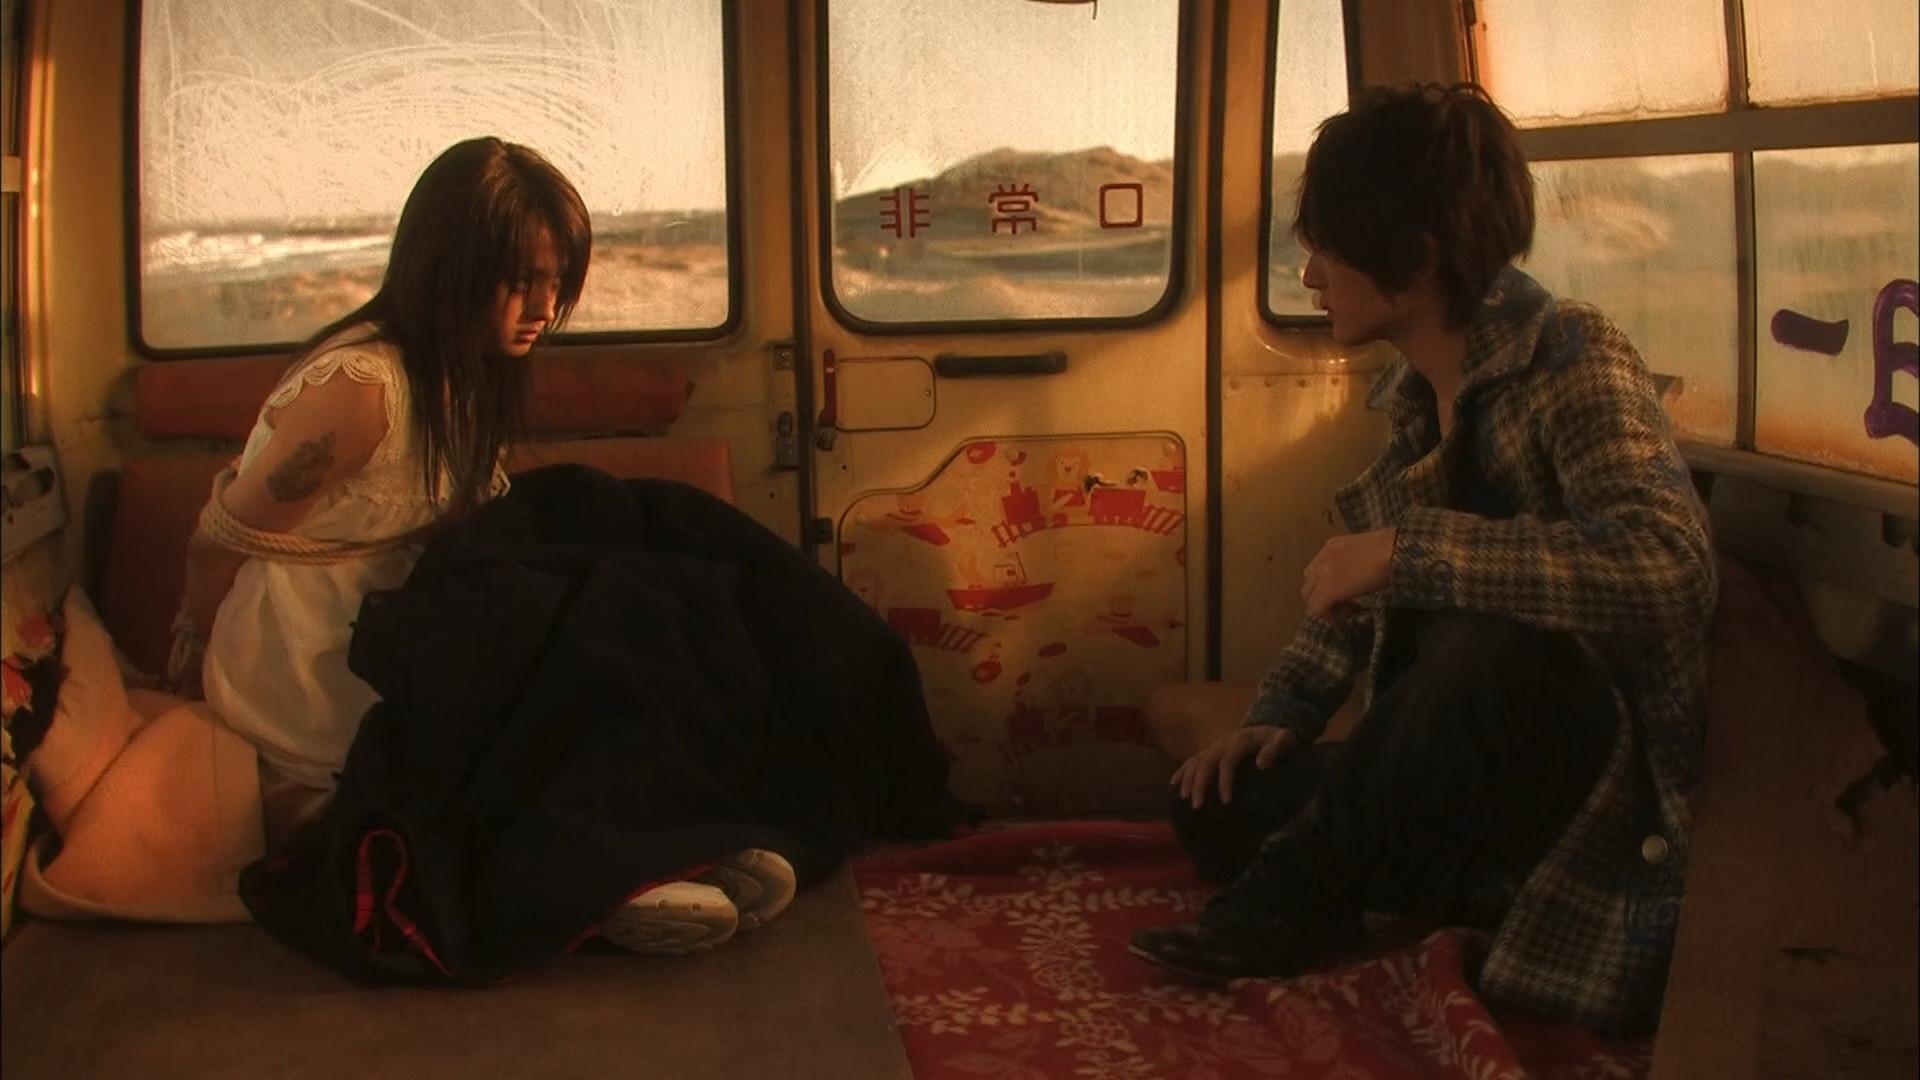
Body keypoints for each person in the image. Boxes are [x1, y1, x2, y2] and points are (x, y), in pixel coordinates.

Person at [1129, 83, 1716, 1034]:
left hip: (1583, 768)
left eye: (1330, 249)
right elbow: (1358, 594)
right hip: (1455, 755)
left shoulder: (1574, 356)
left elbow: (1667, 565)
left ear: (1418, 255)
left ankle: (1298, 893)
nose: (1310, 276)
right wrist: (1277, 717)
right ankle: (1437, 877)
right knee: (1215, 803)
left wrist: (1413, 551)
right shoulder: (1418, 395)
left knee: (1486, 648)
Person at [175, 136, 791, 953]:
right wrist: (186, 652)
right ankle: (602, 884)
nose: (543, 306)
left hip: (401, 609)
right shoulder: (361, 389)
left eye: (556, 283)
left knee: (640, 575)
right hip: (311, 651)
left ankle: (659, 845)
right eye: (519, 281)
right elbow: (219, 538)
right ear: (449, 266)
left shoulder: (462, 368)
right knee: (563, 651)